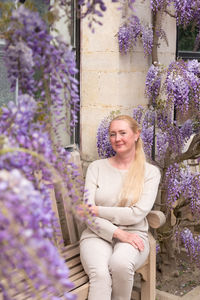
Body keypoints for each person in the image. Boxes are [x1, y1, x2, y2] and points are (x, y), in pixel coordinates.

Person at [79, 115, 161, 300]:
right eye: (112, 134)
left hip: (135, 235)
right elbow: (87, 214)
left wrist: (99, 210)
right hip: (96, 233)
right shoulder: (96, 168)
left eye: (123, 133)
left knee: (121, 264)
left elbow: (136, 214)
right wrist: (118, 233)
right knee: (99, 274)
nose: (117, 139)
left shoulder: (150, 172)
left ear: (136, 134)